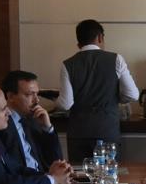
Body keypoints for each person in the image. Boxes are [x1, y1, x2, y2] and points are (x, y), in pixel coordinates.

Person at [54, 20, 138, 162]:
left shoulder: (67, 64)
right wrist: (116, 98)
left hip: (79, 132)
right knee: (108, 174)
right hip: (107, 130)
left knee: (81, 174)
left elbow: (65, 104)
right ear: (100, 37)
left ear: (79, 43)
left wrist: (55, 100)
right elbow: (133, 94)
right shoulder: (116, 59)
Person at [2, 69, 64, 171]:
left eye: (37, 94)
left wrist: (47, 128)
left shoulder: (34, 120)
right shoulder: (1, 125)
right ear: (11, 96)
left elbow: (56, 161)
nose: (37, 100)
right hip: (28, 179)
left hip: (44, 178)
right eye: (29, 94)